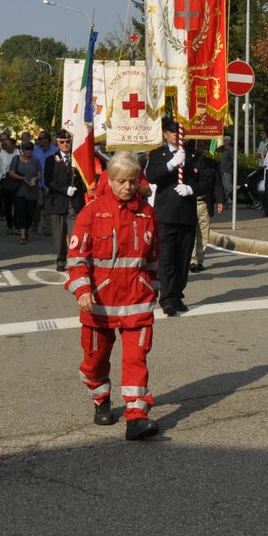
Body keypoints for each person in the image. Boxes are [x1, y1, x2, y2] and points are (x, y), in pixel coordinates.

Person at [67, 151, 161, 441]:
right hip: (101, 303)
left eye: (133, 182)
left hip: (137, 300)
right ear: (109, 179)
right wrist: (82, 290)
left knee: (137, 360)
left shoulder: (147, 213)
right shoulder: (92, 212)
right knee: (95, 360)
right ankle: (100, 397)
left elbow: (154, 257)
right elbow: (76, 257)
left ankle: (136, 416)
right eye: (121, 181)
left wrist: (155, 288)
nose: (128, 188)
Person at [144, 116, 199, 315]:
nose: (177, 134)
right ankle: (166, 298)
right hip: (166, 213)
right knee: (166, 258)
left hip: (186, 213)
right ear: (165, 133)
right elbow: (151, 176)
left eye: (179, 131)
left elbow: (205, 180)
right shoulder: (159, 154)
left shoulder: (192, 154)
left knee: (183, 259)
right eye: (173, 131)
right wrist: (172, 165)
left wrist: (191, 188)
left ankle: (177, 295)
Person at [42, 131, 89, 273]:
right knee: (59, 235)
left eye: (67, 141)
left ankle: (75, 261)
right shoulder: (51, 159)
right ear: (57, 142)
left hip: (74, 203)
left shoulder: (77, 158)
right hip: (58, 201)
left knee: (75, 235)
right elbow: (48, 181)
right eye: (62, 142)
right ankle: (61, 260)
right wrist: (64, 189)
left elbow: (84, 179)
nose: (65, 144)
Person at [185, 138, 221, 272]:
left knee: (203, 233)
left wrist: (220, 201)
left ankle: (199, 259)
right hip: (190, 202)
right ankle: (191, 260)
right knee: (191, 232)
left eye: (202, 146)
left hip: (204, 203)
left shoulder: (211, 164)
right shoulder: (186, 163)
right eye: (197, 146)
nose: (200, 148)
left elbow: (217, 183)